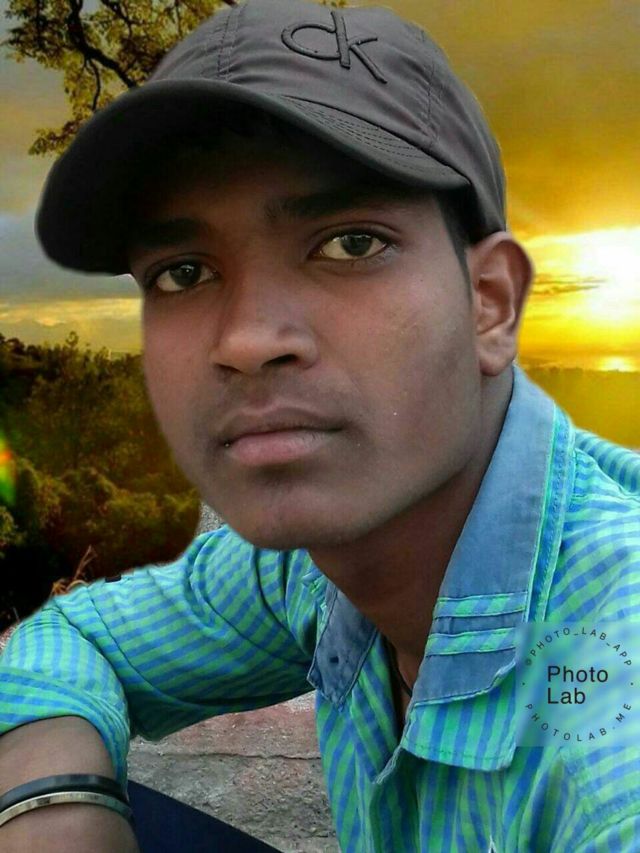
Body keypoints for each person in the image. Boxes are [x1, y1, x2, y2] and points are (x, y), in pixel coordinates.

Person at [1, 0, 640, 850]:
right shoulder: (315, 564)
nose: (246, 339)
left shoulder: (608, 728)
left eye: (350, 244)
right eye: (183, 271)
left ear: (489, 305)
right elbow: (75, 633)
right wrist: (56, 803)